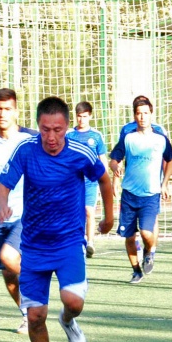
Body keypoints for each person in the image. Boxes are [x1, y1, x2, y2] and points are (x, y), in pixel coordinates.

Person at [0, 96, 114, 342]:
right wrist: (2, 205)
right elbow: (3, 185)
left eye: (58, 130)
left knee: (72, 301)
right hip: (34, 245)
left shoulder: (80, 152)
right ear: (38, 126)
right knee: (35, 316)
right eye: (46, 129)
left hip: (68, 242)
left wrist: (109, 217)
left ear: (66, 127)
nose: (51, 136)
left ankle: (69, 321)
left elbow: (105, 181)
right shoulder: (26, 150)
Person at [0, 89, 37, 334]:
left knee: (8, 257)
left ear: (16, 111)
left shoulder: (32, 140)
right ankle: (27, 314)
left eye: (7, 109)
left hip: (28, 214)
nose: (2, 114)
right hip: (1, 217)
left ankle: (38, 287)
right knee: (8, 276)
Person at [109, 96, 172, 284]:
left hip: (150, 194)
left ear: (151, 114)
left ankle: (149, 252)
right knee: (129, 238)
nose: (142, 117)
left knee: (147, 233)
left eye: (145, 113)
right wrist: (115, 167)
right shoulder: (128, 138)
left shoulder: (160, 139)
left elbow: (170, 160)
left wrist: (164, 183)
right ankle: (136, 270)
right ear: (134, 116)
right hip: (129, 195)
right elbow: (114, 159)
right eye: (139, 113)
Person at [66, 101, 108, 258]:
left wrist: (104, 178)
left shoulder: (96, 136)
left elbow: (102, 158)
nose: (81, 120)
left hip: (90, 181)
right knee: (74, 213)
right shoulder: (69, 135)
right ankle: (77, 241)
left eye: (84, 116)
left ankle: (90, 243)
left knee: (89, 211)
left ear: (90, 116)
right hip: (74, 181)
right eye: (79, 116)